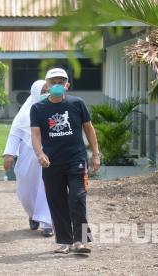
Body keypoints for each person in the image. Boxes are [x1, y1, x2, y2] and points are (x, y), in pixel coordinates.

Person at [30, 68, 101, 254]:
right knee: (57, 202)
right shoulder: (38, 108)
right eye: (53, 82)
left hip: (76, 160)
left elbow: (89, 129)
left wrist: (96, 154)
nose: (57, 85)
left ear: (67, 85)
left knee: (77, 199)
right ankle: (65, 242)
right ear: (47, 85)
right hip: (51, 163)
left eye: (61, 82)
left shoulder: (77, 104)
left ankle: (81, 241)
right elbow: (35, 134)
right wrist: (39, 154)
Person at [3, 80, 54, 237]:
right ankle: (32, 213)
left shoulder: (54, 109)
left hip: (49, 156)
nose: (46, 93)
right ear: (35, 93)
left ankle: (47, 223)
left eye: (48, 90)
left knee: (47, 187)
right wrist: (9, 154)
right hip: (27, 156)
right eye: (43, 90)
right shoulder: (24, 114)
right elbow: (15, 133)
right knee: (26, 188)